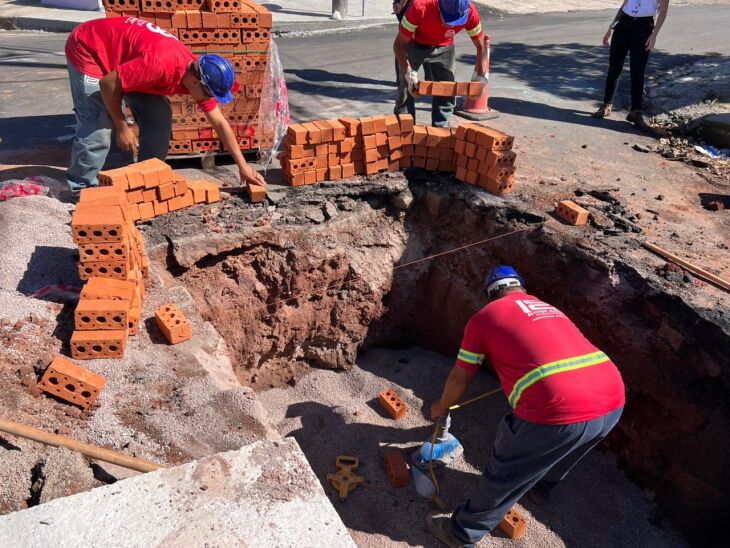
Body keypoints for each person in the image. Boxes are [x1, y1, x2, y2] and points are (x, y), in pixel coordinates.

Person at [427, 266, 626, 547]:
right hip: (613, 398)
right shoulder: (550, 308)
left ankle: (461, 533)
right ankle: (541, 490)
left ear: (490, 294)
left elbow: (460, 377)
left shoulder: (484, 317)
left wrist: (442, 405)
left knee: (505, 470)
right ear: (521, 287)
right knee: (565, 452)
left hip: (556, 410)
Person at [64, 16, 266, 192]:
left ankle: (146, 177)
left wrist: (242, 166)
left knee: (159, 115)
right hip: (89, 48)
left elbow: (220, 123)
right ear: (197, 82)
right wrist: (121, 125)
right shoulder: (160, 65)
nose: (207, 100)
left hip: (128, 62)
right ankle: (80, 189)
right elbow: (107, 83)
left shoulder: (193, 72)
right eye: (208, 95)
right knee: (99, 123)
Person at [393, 0, 487, 127]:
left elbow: (481, 47)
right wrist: (408, 73)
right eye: (448, 20)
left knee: (447, 89)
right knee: (405, 88)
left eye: (457, 21)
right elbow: (398, 45)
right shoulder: (420, 6)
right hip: (413, 43)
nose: (451, 25)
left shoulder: (470, 12)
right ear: (439, 8)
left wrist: (481, 77)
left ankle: (441, 134)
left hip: (444, 46)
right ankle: (404, 131)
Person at [592, 0, 670, 131]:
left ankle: (636, 112)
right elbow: (624, 5)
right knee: (614, 66)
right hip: (623, 24)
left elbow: (663, 11)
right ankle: (607, 105)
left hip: (644, 27)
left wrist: (654, 34)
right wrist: (610, 28)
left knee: (637, 71)